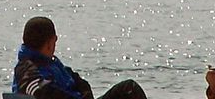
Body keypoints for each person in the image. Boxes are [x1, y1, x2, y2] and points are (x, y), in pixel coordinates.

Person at [12, 16, 147, 99]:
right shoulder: (26, 67)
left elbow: (78, 81)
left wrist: (84, 93)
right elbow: (38, 90)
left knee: (128, 89)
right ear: (49, 43)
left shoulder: (51, 63)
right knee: (129, 88)